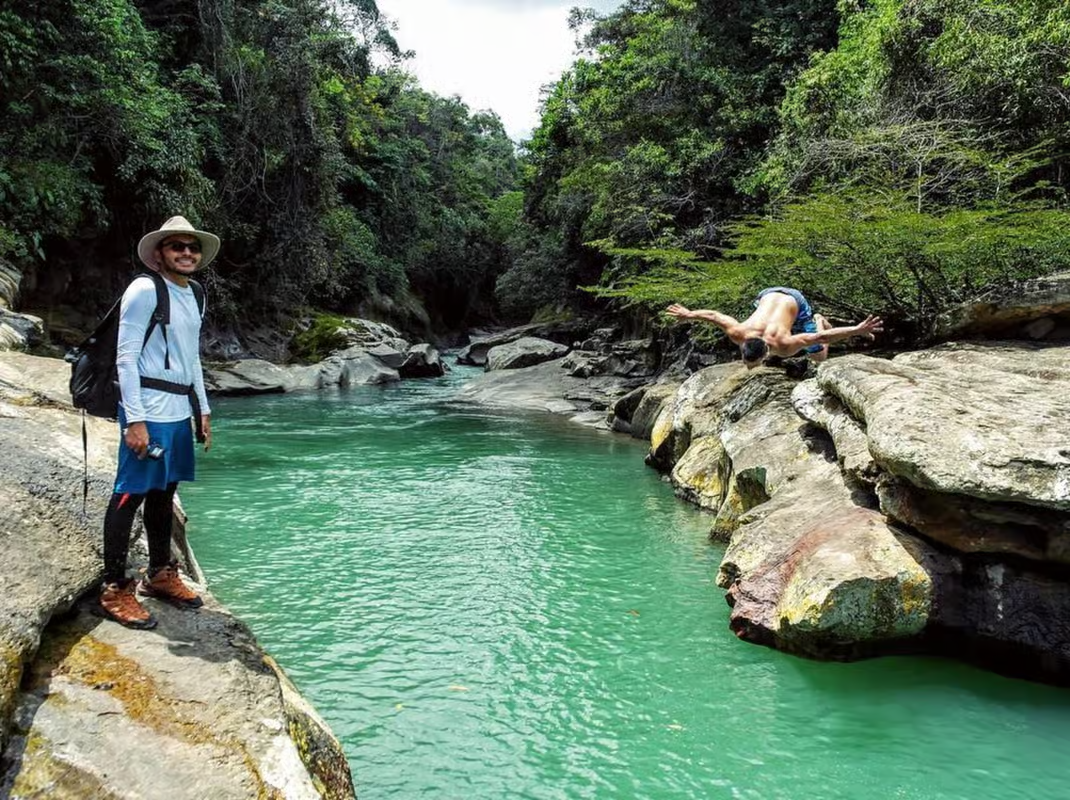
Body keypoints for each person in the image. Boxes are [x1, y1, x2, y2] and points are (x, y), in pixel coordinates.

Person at [97, 216, 218, 629]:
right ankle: (114, 588)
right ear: (159, 254)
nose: (186, 253)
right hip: (148, 408)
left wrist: (203, 410)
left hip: (179, 409)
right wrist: (134, 420)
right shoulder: (145, 289)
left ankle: (160, 573)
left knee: (165, 492)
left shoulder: (196, 294)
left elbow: (191, 356)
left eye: (192, 247)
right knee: (130, 494)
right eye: (176, 246)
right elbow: (126, 357)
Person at [666, 286, 882, 368]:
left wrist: (857, 330)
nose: (749, 366)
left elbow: (822, 338)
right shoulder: (738, 333)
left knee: (819, 357)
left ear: (767, 352)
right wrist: (689, 314)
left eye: (755, 362)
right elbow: (714, 316)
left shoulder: (785, 345)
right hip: (767, 293)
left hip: (796, 301)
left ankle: (818, 319)